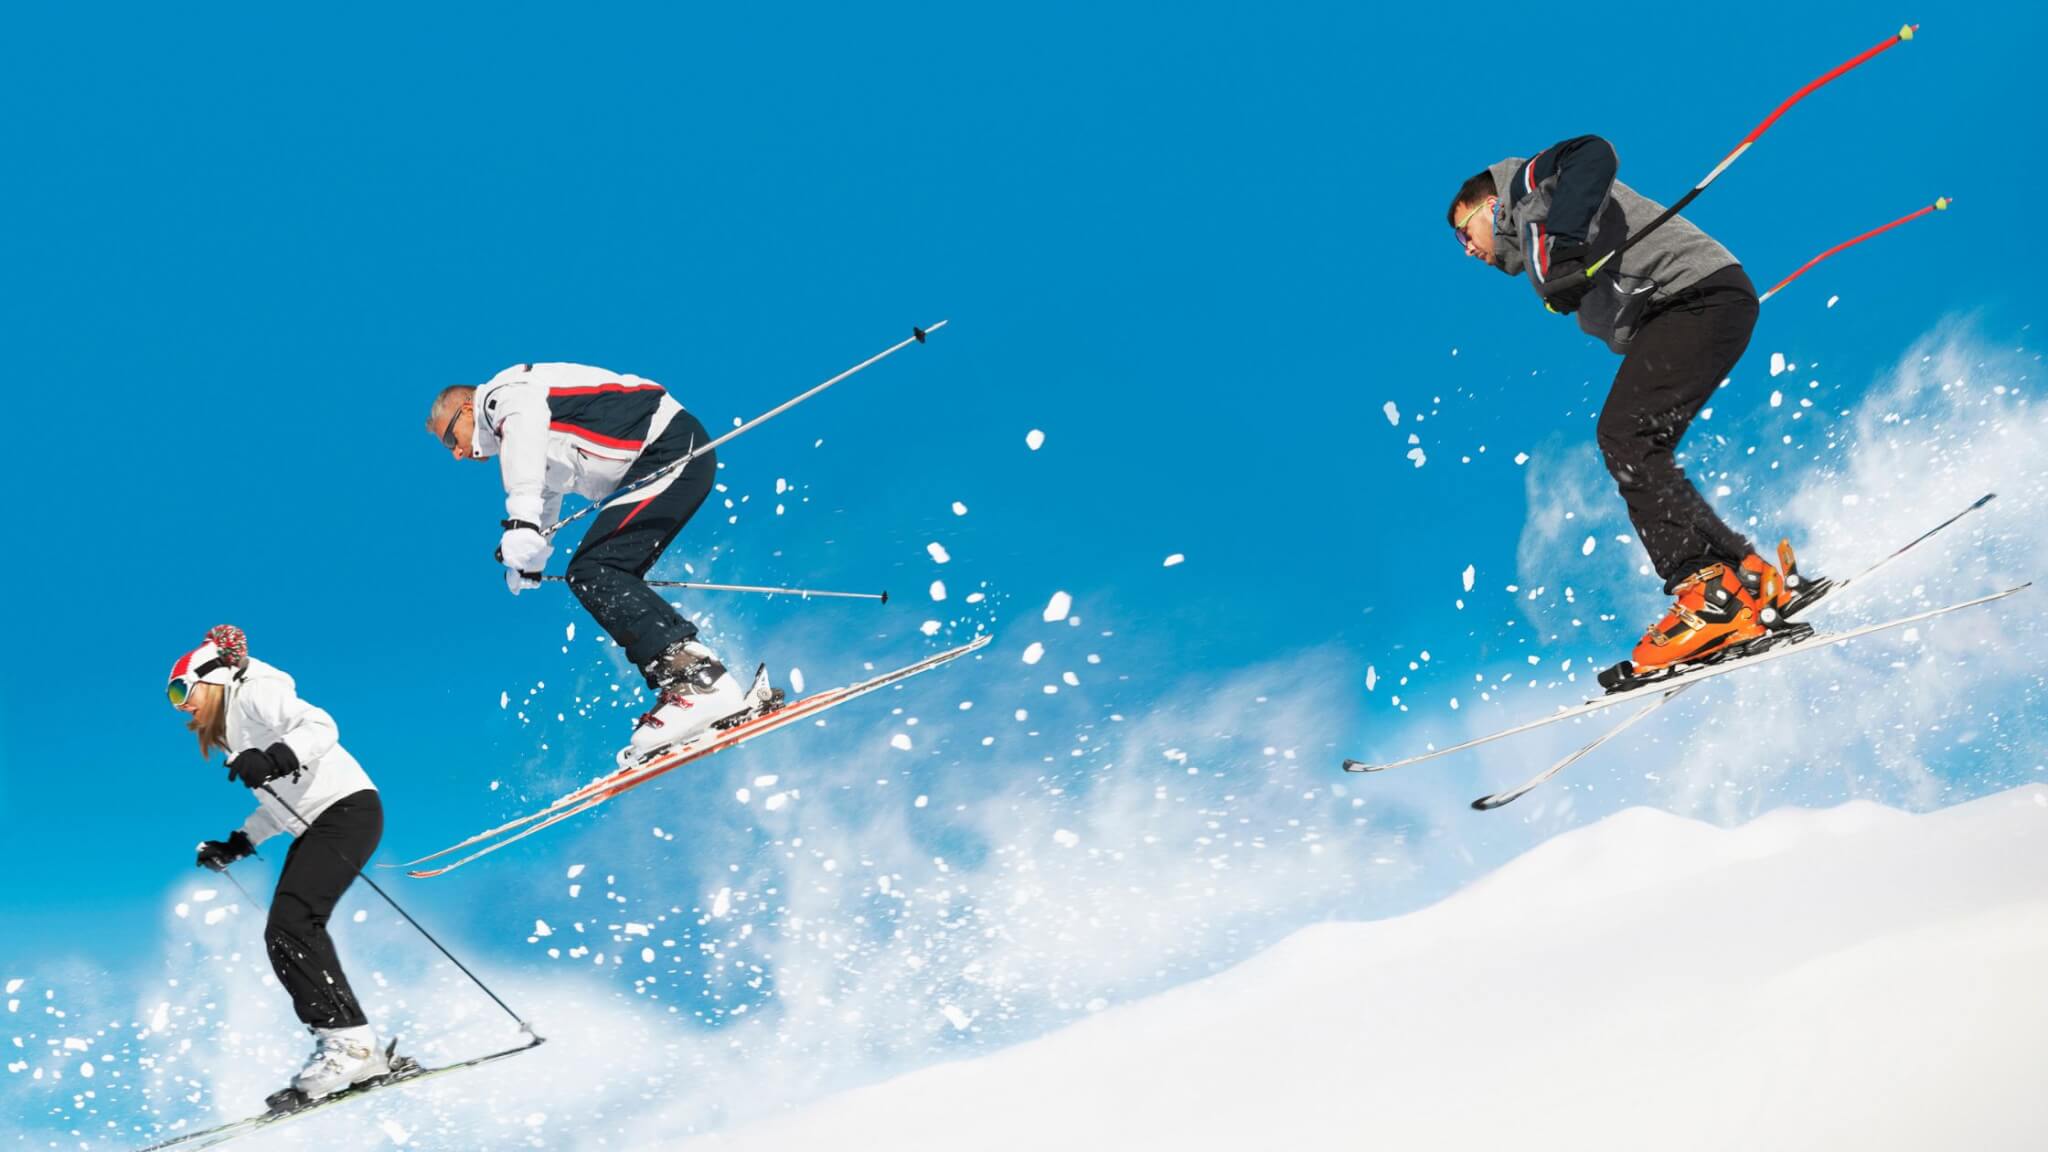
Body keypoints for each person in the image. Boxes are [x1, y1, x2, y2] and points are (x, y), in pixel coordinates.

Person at [1446, 136, 1814, 682]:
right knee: (1639, 442)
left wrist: (1564, 248)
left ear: (1489, 206)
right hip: (1704, 301)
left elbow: (1591, 153)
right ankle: (1745, 575)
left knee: (1625, 435)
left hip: (1696, 298)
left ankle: (1710, 595)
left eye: (1463, 231)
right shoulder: (1543, 244)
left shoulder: (1528, 189)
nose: (1467, 250)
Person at [425, 363, 768, 765]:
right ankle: (694, 681)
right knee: (599, 570)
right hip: (659, 459)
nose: (458, 454)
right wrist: (535, 548)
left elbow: (525, 431)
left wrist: (521, 521)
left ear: (468, 407)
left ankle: (699, 683)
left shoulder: (505, 394)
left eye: (452, 438)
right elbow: (546, 487)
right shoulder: (523, 441)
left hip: (667, 447)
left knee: (594, 571)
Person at [170, 625, 388, 1105]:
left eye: (182, 689)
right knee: (288, 928)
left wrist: (274, 757)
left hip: (345, 810)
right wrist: (238, 843)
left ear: (213, 678)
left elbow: (321, 727)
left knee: (291, 924)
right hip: (319, 822)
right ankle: (354, 1045)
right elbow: (277, 802)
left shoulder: (256, 694)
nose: (181, 705)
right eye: (172, 696)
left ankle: (348, 1043)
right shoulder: (233, 731)